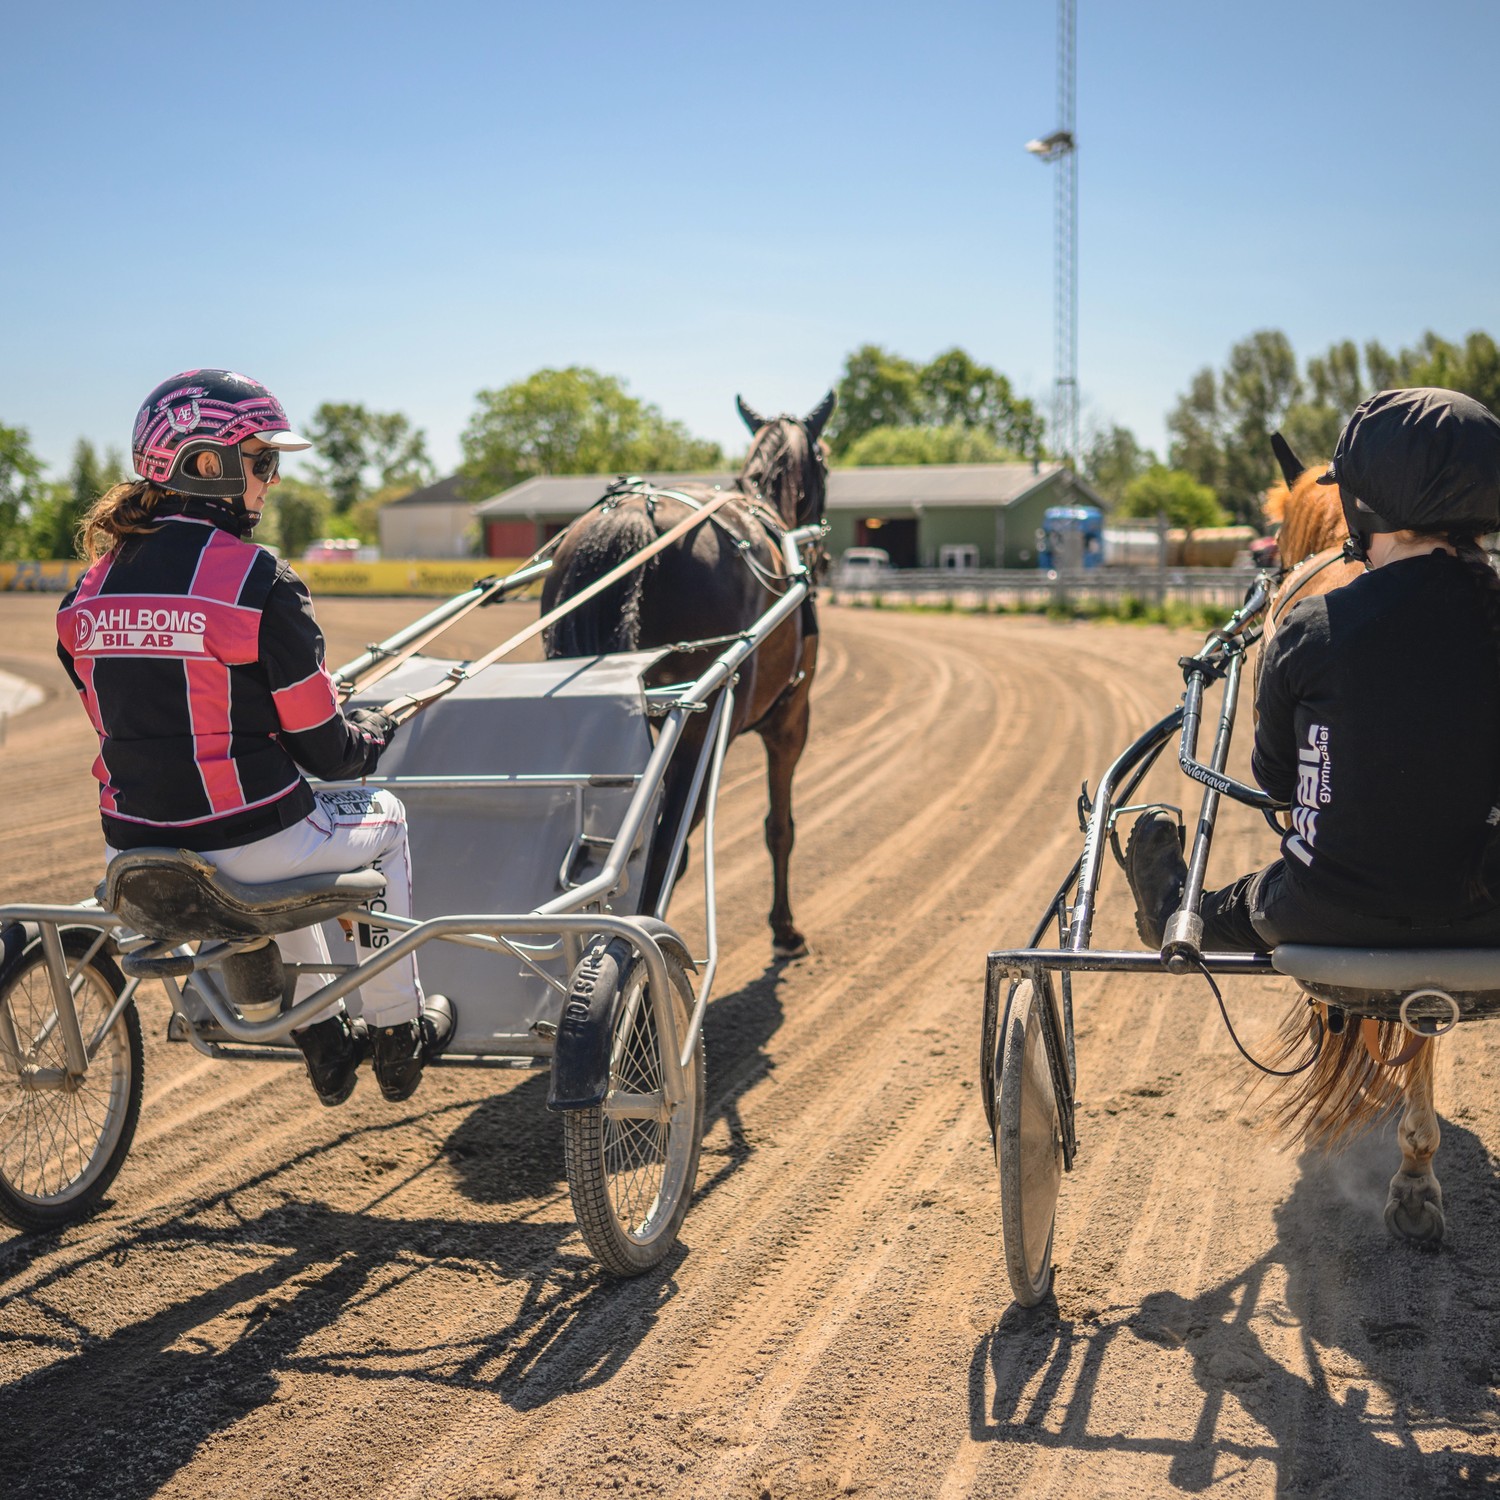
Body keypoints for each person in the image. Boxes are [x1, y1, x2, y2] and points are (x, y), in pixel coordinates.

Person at [56, 369, 453, 1105]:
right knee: (377, 818)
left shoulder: (88, 586)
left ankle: (325, 1038)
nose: (268, 482)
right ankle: (399, 1033)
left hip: (131, 846)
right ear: (206, 465)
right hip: (249, 845)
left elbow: (129, 709)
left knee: (279, 831)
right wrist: (369, 735)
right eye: (262, 461)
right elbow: (325, 751)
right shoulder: (259, 580)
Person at [1127, 387, 1500, 953]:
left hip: (1326, 911)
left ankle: (1172, 913)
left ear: (1365, 507)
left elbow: (1277, 782)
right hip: (1490, 916)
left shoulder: (1313, 625)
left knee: (1212, 912)